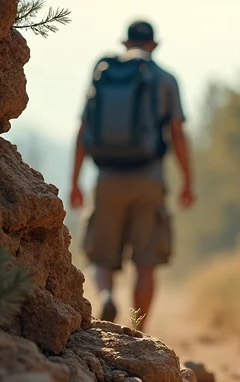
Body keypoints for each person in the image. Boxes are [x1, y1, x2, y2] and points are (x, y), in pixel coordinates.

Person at [69, 20, 194, 331]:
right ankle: (137, 331)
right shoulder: (165, 79)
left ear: (125, 43)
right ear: (154, 44)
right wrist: (188, 180)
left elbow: (84, 130)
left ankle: (107, 295)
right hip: (149, 179)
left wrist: (74, 182)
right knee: (147, 260)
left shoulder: (103, 74)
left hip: (107, 177)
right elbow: (177, 132)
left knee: (101, 255)